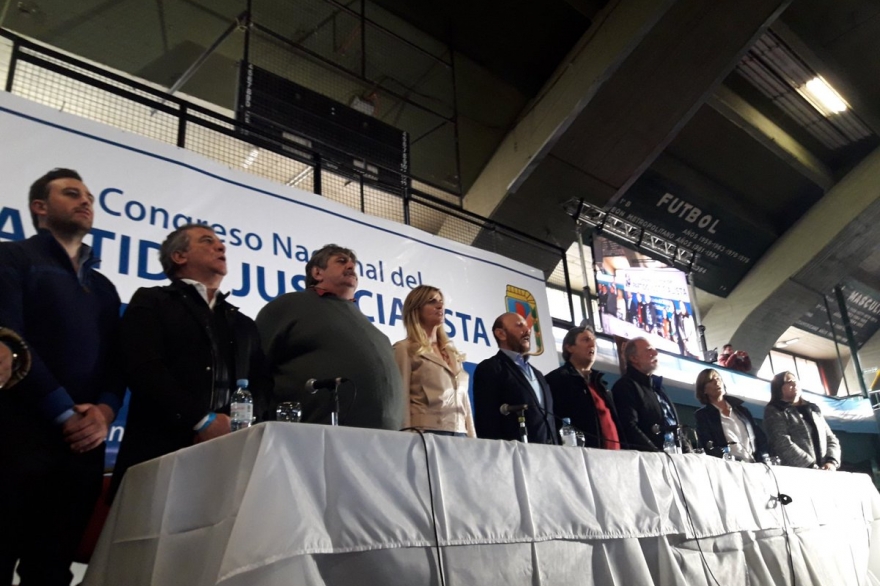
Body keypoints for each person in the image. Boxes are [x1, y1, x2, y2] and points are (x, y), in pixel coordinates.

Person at [0, 168, 124, 585]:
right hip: (15, 437)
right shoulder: (11, 258)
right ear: (40, 207)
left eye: (89, 196)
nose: (85, 201)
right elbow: (9, 336)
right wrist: (64, 412)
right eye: (72, 193)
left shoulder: (105, 288)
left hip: (81, 450)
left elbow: (117, 364)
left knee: (52, 572)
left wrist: (104, 413)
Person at [110, 224, 271, 498]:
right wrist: (202, 421)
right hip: (159, 455)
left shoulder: (243, 323)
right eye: (207, 241)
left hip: (229, 457)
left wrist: (235, 425)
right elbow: (144, 368)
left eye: (220, 242)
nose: (220, 246)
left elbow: (263, 383)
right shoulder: (151, 301)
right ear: (179, 256)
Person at [256, 244, 404, 430]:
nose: (350, 267)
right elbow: (256, 369)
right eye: (341, 261)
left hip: (386, 440)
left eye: (353, 264)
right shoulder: (289, 306)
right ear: (317, 273)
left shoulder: (368, 325)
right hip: (312, 437)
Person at [392, 285, 474, 437]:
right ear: (416, 309)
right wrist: (405, 439)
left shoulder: (452, 352)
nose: (440, 305)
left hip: (460, 434)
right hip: (425, 433)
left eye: (441, 301)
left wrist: (472, 440)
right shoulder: (404, 349)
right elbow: (401, 400)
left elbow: (465, 402)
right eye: (431, 301)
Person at [473, 312, 558, 444]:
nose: (527, 330)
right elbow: (487, 421)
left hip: (548, 452)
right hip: (514, 453)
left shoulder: (538, 374)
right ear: (501, 334)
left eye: (527, 326)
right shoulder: (491, 369)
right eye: (519, 325)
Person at [546, 326, 621, 449]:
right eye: (586, 340)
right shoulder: (557, 380)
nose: (592, 344)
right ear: (569, 347)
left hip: (617, 455)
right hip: (583, 454)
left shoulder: (601, 383)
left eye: (594, 340)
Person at [612, 337, 687, 452]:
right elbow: (629, 427)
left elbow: (675, 427)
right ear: (634, 358)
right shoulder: (625, 386)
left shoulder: (658, 388)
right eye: (649, 350)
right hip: (651, 459)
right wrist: (657, 454)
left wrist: (688, 452)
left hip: (675, 457)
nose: (656, 353)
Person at [763, 371, 840, 470]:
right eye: (789, 381)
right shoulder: (774, 410)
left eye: (795, 380)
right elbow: (781, 442)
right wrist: (810, 466)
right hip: (796, 471)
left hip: (825, 470)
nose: (794, 383)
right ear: (779, 388)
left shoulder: (814, 409)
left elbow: (830, 438)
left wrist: (831, 461)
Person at [693, 369, 769, 461]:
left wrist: (762, 458)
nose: (716, 382)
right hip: (729, 465)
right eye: (711, 380)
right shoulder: (703, 416)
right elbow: (708, 446)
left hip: (754, 463)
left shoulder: (742, 411)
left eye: (718, 378)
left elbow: (760, 438)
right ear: (703, 390)